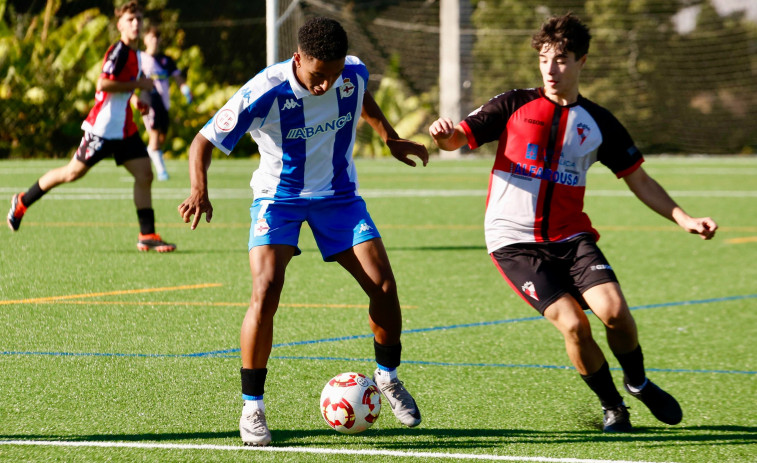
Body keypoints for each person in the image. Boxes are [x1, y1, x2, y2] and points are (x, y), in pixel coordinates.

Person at [429, 12, 717, 432]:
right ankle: (613, 405)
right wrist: (444, 137)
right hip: (514, 243)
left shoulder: (599, 122)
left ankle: (637, 382)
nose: (551, 68)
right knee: (574, 323)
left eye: (561, 59)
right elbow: (459, 137)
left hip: (571, 237)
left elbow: (639, 178)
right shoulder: (514, 104)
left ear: (582, 61)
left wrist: (683, 218)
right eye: (545, 58)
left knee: (615, 313)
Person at [178, 17, 428, 446]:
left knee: (384, 287)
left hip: (339, 197)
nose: (325, 85)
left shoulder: (352, 72)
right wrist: (199, 190)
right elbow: (202, 142)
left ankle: (386, 378)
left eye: (333, 76)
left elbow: (360, 99)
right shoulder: (265, 91)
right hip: (280, 200)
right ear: (298, 59)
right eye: (317, 75)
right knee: (266, 289)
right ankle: (252, 408)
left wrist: (389, 136)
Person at [6, 1, 175, 253]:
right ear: (120, 25)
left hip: (125, 128)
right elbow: (103, 84)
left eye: (139, 19)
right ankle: (22, 201)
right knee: (72, 173)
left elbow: (126, 84)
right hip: (103, 128)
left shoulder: (137, 54)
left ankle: (147, 234)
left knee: (145, 174)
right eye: (131, 19)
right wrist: (139, 86)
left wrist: (138, 100)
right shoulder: (118, 51)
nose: (136, 23)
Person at [138, 25, 193, 181]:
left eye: (157, 37)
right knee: (154, 134)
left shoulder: (166, 60)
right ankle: (162, 171)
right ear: (145, 40)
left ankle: (143, 160)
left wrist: (185, 90)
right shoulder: (140, 58)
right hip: (148, 100)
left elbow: (178, 78)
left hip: (163, 102)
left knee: (162, 138)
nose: (154, 41)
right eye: (151, 37)